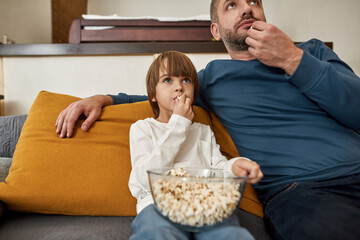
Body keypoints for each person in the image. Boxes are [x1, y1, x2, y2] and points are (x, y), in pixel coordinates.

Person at [55, 0, 360, 239]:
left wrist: (291, 58)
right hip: (304, 192)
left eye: (253, 0)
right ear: (216, 31)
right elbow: (160, 98)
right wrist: (103, 99)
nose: (246, 8)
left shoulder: (312, 51)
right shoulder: (213, 79)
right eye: (231, 5)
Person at [128, 50, 262, 240]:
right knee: (155, 233)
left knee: (231, 234)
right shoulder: (143, 128)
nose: (179, 87)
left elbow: (218, 169)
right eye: (168, 80)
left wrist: (234, 166)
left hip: (204, 202)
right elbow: (145, 178)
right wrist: (178, 126)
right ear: (153, 95)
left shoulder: (202, 130)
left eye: (186, 80)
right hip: (157, 205)